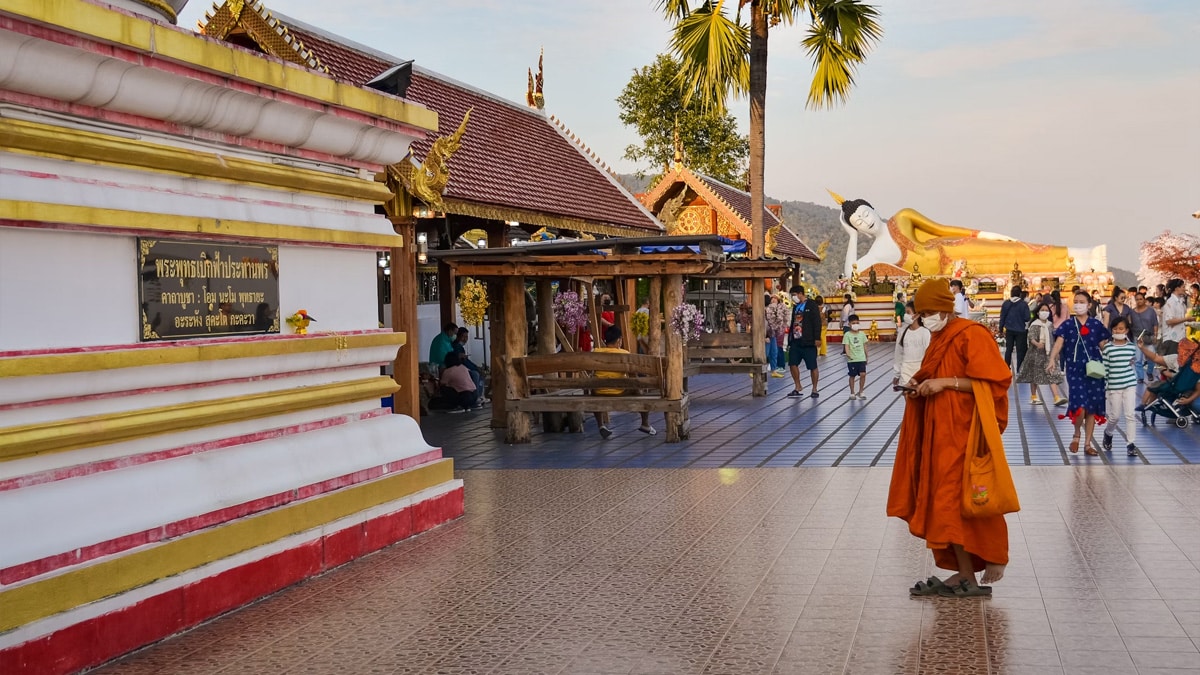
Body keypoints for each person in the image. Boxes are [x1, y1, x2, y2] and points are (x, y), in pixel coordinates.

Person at [888, 278, 1012, 598]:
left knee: (969, 501)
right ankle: (964, 572)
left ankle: (991, 559)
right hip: (940, 435)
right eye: (921, 313)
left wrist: (946, 383)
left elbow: (993, 383)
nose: (924, 318)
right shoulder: (940, 337)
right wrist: (920, 388)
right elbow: (931, 375)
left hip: (966, 435)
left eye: (929, 311)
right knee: (944, 504)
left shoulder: (972, 335)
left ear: (944, 309)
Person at [1048, 290, 1111, 455]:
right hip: (1075, 370)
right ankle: (1077, 434)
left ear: (1089, 305)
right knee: (1080, 405)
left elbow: (1104, 345)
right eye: (1076, 301)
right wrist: (1052, 359)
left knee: (1091, 407)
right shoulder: (1067, 325)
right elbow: (1059, 343)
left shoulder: (1096, 325)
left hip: (1094, 370)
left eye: (1082, 301)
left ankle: (1088, 444)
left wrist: (1117, 358)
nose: (1078, 304)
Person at [592, 326, 655, 439]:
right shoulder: (624, 353)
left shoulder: (596, 352)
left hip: (598, 391)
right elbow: (632, 375)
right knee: (637, 389)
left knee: (593, 388)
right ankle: (645, 424)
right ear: (619, 340)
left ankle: (601, 425)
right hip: (618, 391)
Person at [1101, 317, 1140, 457]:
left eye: (1121, 329)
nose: (1118, 331)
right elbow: (1105, 369)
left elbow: (1133, 362)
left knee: (1130, 415)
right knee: (1114, 417)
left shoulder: (1131, 347)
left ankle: (1131, 444)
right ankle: (1108, 433)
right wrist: (1104, 388)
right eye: (1115, 328)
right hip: (1113, 386)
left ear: (1127, 330)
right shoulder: (1108, 348)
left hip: (1129, 384)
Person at [1015, 302, 1066, 406]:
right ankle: (1033, 396)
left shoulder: (1050, 325)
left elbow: (1052, 339)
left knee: (1051, 373)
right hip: (1035, 354)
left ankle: (1056, 397)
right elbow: (1031, 337)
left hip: (1048, 354)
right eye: (1042, 310)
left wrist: (1055, 353)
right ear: (1038, 312)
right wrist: (1037, 344)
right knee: (1035, 375)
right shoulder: (1035, 325)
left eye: (1047, 311)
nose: (1045, 312)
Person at [787, 286, 822, 399]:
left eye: (794, 294)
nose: (793, 297)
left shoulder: (811, 305)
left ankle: (815, 388)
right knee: (792, 363)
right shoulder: (796, 306)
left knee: (812, 365)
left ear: (800, 293)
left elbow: (817, 321)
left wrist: (817, 338)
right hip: (796, 340)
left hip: (808, 341)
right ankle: (798, 386)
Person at [891, 306, 929, 390]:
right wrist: (897, 374)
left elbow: (929, 354)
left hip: (920, 369)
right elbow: (898, 354)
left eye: (908, 312)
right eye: (905, 313)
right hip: (906, 369)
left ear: (916, 315)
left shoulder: (925, 333)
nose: (905, 315)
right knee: (907, 397)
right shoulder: (902, 332)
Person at [998, 287, 1030, 372]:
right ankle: (1019, 369)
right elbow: (1027, 318)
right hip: (1021, 330)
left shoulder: (1006, 303)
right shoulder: (1023, 304)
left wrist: (1001, 329)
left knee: (1009, 349)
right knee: (1020, 350)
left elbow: (1002, 317)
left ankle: (1006, 367)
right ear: (1020, 294)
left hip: (1009, 329)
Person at [1130, 291, 1159, 383]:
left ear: (1144, 300)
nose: (1139, 301)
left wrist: (1155, 334)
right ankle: (1140, 377)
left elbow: (1155, 323)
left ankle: (1149, 372)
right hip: (1137, 337)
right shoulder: (1132, 312)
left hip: (1149, 337)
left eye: (1140, 299)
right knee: (1138, 359)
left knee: (1151, 356)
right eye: (1137, 299)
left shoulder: (1150, 311)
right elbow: (1130, 324)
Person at [452, 327, 487, 399]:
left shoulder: (459, 347)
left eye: (466, 337)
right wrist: (476, 368)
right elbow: (464, 362)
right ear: (458, 336)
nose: (465, 339)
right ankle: (477, 396)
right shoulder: (457, 347)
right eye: (463, 337)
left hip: (462, 368)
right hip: (460, 369)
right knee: (476, 374)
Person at [1160, 278, 1188, 356]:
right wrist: (1186, 319)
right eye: (1183, 287)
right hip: (1172, 338)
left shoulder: (1181, 302)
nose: (1184, 289)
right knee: (1172, 364)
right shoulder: (1170, 302)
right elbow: (1169, 321)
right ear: (1177, 288)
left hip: (1181, 338)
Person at [843, 314, 868, 400]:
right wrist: (848, 354)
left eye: (857, 323)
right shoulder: (847, 335)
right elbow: (846, 345)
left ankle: (861, 391)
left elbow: (865, 346)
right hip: (852, 359)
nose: (856, 324)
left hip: (861, 358)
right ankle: (852, 392)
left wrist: (866, 356)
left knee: (863, 374)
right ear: (849, 324)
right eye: (853, 323)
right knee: (852, 375)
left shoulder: (862, 334)